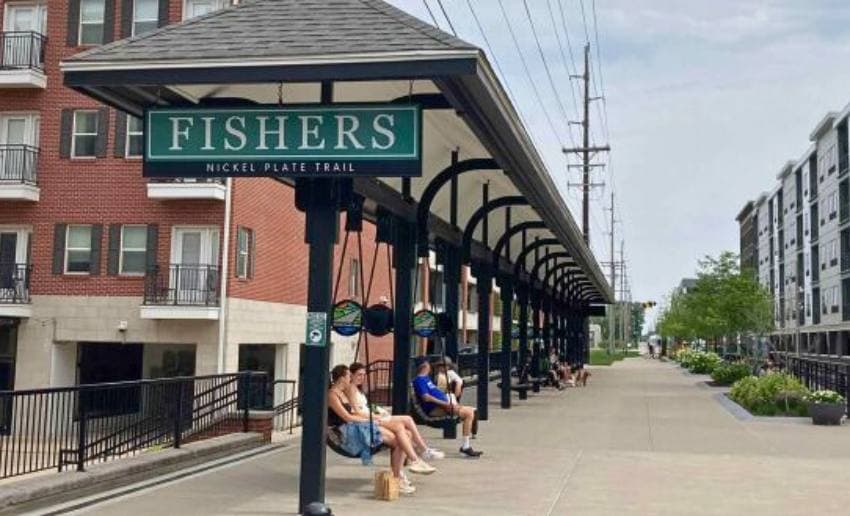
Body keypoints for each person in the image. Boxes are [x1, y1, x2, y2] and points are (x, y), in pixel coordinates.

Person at [328, 365, 433, 495]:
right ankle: (411, 464)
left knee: (406, 434)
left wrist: (373, 417)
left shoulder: (343, 392)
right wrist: (370, 420)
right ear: (342, 378)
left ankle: (407, 469)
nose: (350, 378)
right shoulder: (332, 395)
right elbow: (347, 417)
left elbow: (355, 412)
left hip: (356, 424)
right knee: (400, 434)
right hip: (346, 431)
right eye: (349, 375)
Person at [346, 362, 444, 462]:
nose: (362, 377)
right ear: (351, 375)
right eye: (359, 375)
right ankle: (423, 451)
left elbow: (366, 406)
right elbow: (357, 411)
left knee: (407, 431)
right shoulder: (350, 389)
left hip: (372, 416)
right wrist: (375, 416)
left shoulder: (358, 389)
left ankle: (418, 454)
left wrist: (380, 411)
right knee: (406, 420)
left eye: (363, 375)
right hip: (367, 420)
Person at [411, 357, 483, 457]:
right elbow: (426, 397)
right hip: (436, 409)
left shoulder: (426, 378)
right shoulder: (419, 380)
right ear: (424, 366)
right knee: (469, 413)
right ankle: (465, 448)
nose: (430, 366)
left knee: (472, 411)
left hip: (444, 405)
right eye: (428, 364)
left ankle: (467, 444)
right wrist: (445, 404)